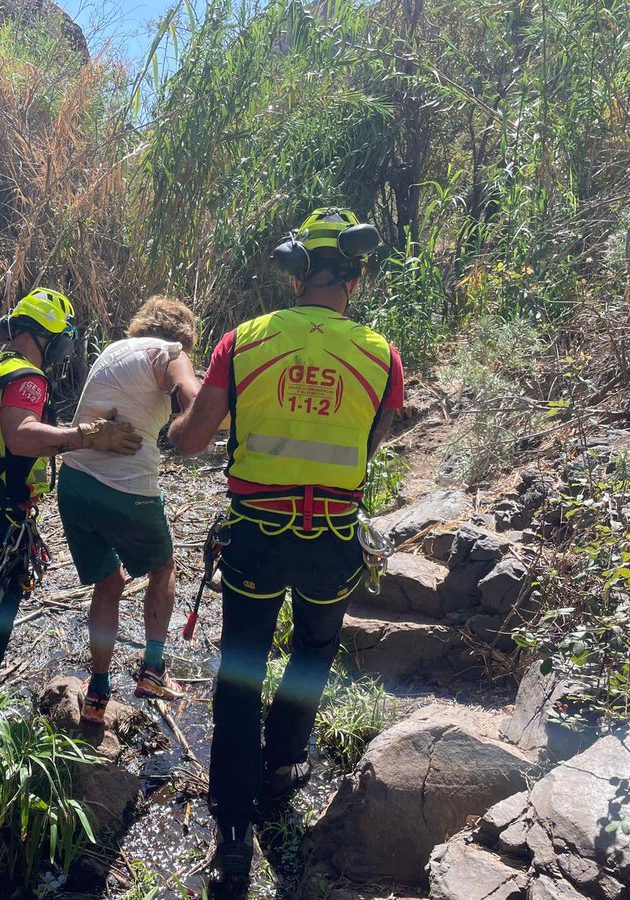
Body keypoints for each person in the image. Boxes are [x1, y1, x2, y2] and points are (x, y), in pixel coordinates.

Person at [168, 208, 404, 884]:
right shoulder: (382, 354)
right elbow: (371, 443)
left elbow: (192, 439)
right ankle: (281, 768)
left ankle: (233, 831)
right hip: (331, 538)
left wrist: (177, 416)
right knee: (313, 650)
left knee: (242, 667)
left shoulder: (242, 341)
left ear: (297, 273)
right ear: (355, 278)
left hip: (257, 538)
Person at [0, 288, 143, 684]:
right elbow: (21, 436)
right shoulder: (27, 378)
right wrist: (88, 435)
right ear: (49, 339)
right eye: (63, 340)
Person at [57, 296, 203, 724]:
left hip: (74, 483)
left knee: (109, 580)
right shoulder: (170, 352)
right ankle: (153, 670)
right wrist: (189, 429)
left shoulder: (115, 350)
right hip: (126, 489)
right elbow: (193, 398)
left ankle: (97, 692)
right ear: (184, 336)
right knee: (163, 567)